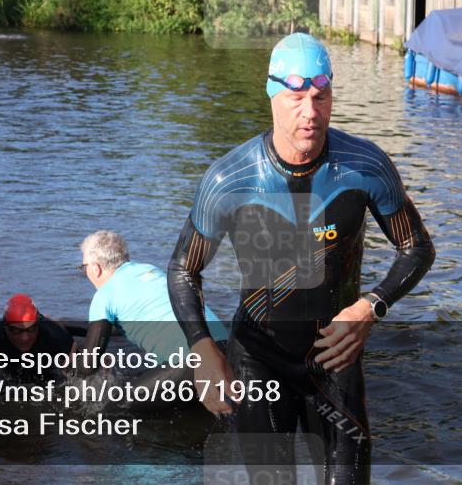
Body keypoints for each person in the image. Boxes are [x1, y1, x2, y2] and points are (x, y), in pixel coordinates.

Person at [167, 33, 435, 484]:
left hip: (334, 355)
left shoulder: (365, 166)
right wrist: (202, 349)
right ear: (271, 94)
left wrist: (371, 306)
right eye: (296, 97)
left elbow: (417, 249)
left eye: (321, 96)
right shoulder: (229, 179)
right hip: (258, 355)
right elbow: (183, 270)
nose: (310, 112)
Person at [79, 231, 228, 410]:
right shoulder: (150, 270)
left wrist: (69, 365)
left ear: (96, 267)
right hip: (227, 347)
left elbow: (88, 366)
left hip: (192, 362)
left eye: (83, 267)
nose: (85, 272)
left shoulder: (103, 296)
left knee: (111, 407)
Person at [0, 294, 75, 387]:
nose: (25, 338)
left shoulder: (51, 332)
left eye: (31, 329)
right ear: (5, 327)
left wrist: (71, 366)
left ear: (38, 324)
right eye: (16, 330)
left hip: (46, 370)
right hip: (10, 375)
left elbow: (77, 356)